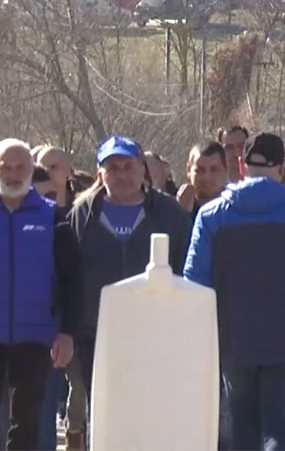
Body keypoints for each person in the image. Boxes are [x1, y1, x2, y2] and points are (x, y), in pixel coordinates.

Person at [184, 133, 285, 451]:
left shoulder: (212, 215)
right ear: (282, 168)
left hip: (232, 339)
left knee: (241, 430)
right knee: (281, 431)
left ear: (241, 165)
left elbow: (195, 283)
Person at [0, 139, 81, 451]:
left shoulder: (53, 218)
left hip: (35, 334)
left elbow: (72, 280)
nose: (12, 173)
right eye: (4, 168)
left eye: (20, 166)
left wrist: (67, 332)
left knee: (27, 419)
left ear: (31, 170)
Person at [67, 136, 191, 396]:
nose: (121, 174)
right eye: (112, 168)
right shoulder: (82, 215)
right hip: (97, 335)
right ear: (100, 174)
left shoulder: (169, 213)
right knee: (103, 410)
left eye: (128, 166)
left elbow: (185, 268)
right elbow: (67, 275)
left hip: (155, 334)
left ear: (142, 168)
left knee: (150, 406)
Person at [177, 140, 229, 217]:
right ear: (188, 170)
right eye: (200, 170)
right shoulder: (172, 209)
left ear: (226, 170)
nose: (207, 177)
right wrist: (182, 213)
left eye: (214, 170)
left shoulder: (237, 209)